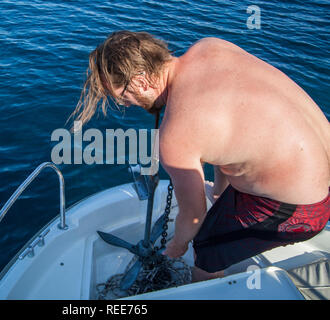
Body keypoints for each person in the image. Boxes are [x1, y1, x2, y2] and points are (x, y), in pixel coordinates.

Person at [70, 31, 330, 281]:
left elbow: (194, 215)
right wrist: (218, 192)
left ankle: (207, 288)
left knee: (206, 248)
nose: (127, 105)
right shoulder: (211, 47)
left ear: (140, 80)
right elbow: (228, 139)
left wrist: (178, 245)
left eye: (123, 96)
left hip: (302, 210)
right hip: (317, 171)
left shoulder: (175, 134)